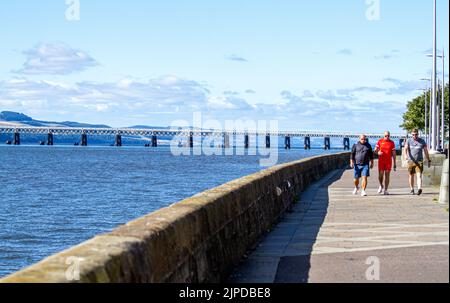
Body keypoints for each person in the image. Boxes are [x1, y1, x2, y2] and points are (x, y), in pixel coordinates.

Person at [404, 129, 431, 196]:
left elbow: (425, 151)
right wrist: (405, 156)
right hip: (411, 161)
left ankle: (419, 189)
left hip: (419, 161)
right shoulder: (409, 141)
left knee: (419, 175)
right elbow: (405, 148)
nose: (414, 136)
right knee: (411, 175)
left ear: (418, 134)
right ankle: (412, 189)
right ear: (411, 135)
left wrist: (428, 159)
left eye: (416, 134)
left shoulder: (422, 141)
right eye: (413, 134)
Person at [374, 131, 397, 195]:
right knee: (380, 175)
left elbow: (394, 153)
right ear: (383, 135)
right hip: (381, 161)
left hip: (388, 161)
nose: (387, 137)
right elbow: (375, 150)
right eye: (385, 136)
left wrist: (395, 163)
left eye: (388, 136)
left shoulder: (392, 142)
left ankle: (386, 190)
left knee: (387, 174)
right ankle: (381, 185)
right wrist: (377, 153)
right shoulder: (380, 141)